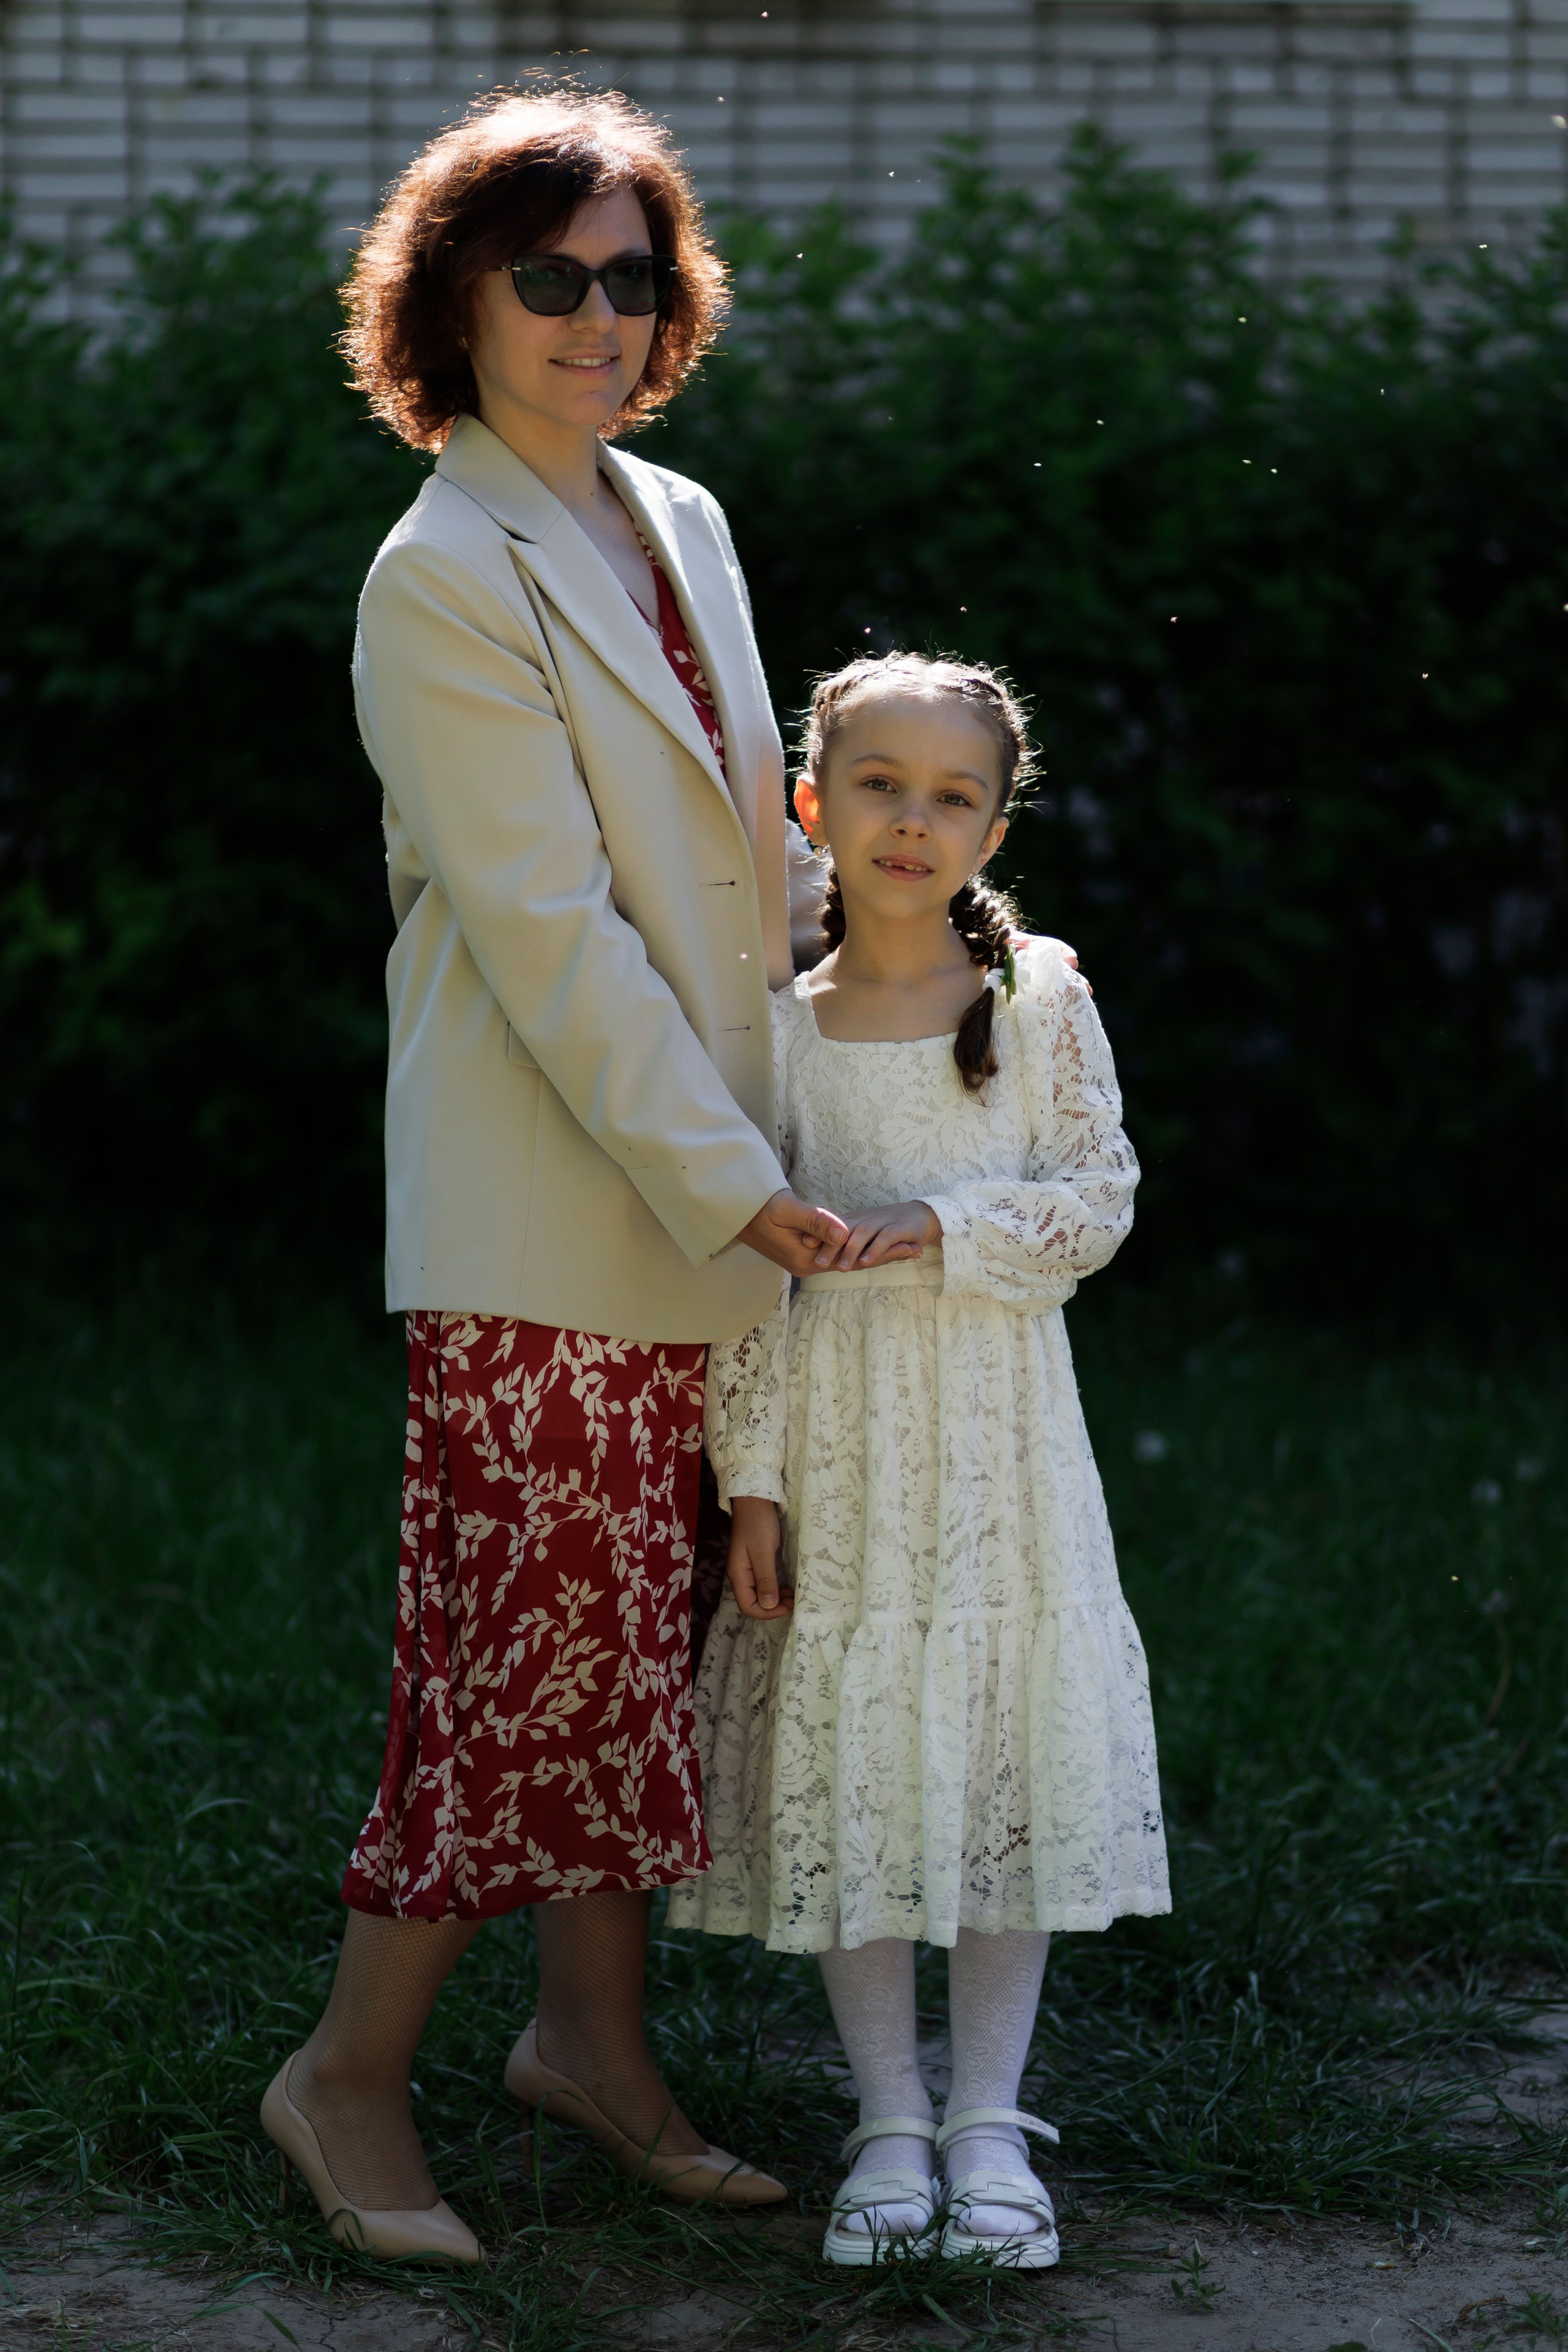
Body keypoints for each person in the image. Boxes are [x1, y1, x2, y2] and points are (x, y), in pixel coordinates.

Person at [257, 88, 854, 2263]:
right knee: (514, 1657)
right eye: (550, 280)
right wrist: (746, 1189)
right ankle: (340, 2080)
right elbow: (554, 944)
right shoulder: (442, 579)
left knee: (644, 1642)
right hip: (545, 1212)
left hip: (705, 1189)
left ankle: (589, 2045)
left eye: (633, 276)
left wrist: (901, 940)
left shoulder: (675, 520)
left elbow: (733, 860)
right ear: (455, 306)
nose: (598, 318)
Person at [669, 652, 1171, 2268]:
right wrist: (749, 1472)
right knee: (868, 1761)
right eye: (879, 783)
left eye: (954, 794)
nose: (912, 819)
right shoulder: (772, 1031)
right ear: (814, 805)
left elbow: (1096, 1204)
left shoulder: (1040, 1005)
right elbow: (740, 1269)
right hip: (837, 1456)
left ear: (996, 825)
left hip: (1001, 1452)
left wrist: (931, 1229)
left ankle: (988, 2123)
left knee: (996, 1757)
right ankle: (887, 2120)